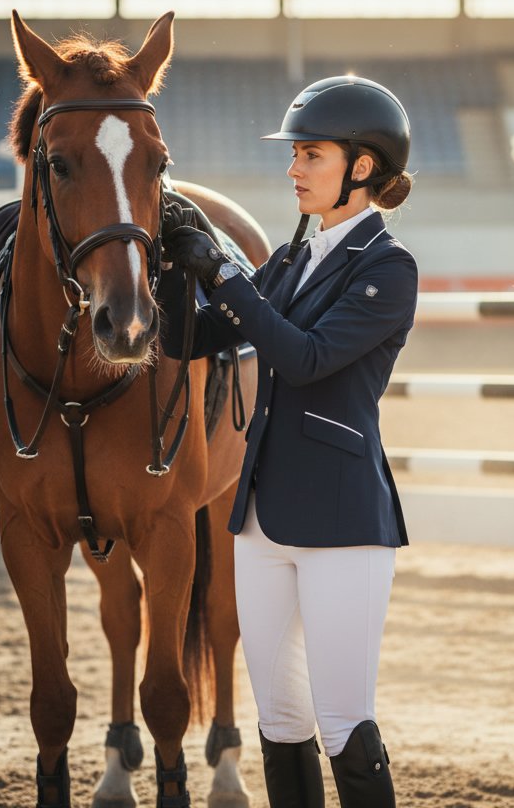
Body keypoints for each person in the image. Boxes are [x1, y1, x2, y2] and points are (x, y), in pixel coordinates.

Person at [159, 75, 417, 808]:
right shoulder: (291, 259)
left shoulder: (388, 268)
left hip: (342, 524)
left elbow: (301, 358)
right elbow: (191, 338)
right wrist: (177, 266)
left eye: (310, 155)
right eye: (294, 155)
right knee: (279, 719)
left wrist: (225, 271)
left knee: (343, 722)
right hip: (261, 519)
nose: (293, 169)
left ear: (360, 167)